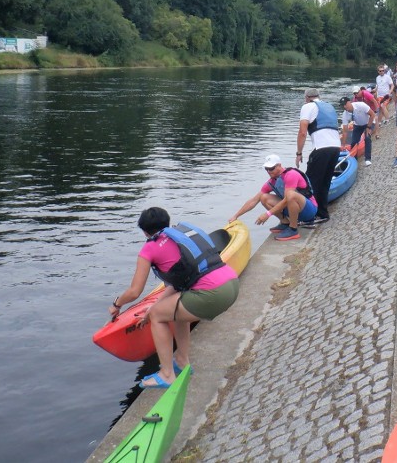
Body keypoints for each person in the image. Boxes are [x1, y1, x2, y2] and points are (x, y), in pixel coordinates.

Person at [110, 207, 239, 388]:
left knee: (157, 316)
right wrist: (157, 305)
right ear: (167, 223)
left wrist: (117, 304)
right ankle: (182, 362)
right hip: (232, 284)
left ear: (145, 231)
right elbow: (177, 285)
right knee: (175, 312)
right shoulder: (181, 236)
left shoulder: (150, 247)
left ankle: (167, 374)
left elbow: (134, 291)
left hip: (213, 294)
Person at [228, 154, 318, 241]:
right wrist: (236, 216)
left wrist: (267, 214)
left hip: (309, 210)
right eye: (266, 169)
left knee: (291, 195)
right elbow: (254, 200)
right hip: (294, 209)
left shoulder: (291, 175)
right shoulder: (272, 181)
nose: (269, 171)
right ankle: (285, 223)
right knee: (263, 197)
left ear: (279, 165)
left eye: (271, 168)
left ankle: (293, 229)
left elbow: (288, 199)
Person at [296, 87, 340, 226]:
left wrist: (299, 153)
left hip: (322, 148)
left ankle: (310, 216)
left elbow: (302, 132)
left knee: (310, 183)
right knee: (325, 182)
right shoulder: (329, 106)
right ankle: (322, 214)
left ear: (307, 98)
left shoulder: (308, 106)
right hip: (335, 148)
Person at [340, 97, 375, 166]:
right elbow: (345, 131)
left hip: (368, 123)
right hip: (358, 125)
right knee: (353, 142)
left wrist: (368, 127)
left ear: (349, 102)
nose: (344, 107)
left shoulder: (361, 105)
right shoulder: (345, 114)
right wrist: (343, 145)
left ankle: (368, 159)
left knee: (367, 139)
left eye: (345, 104)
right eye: (342, 105)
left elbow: (372, 114)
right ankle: (354, 161)